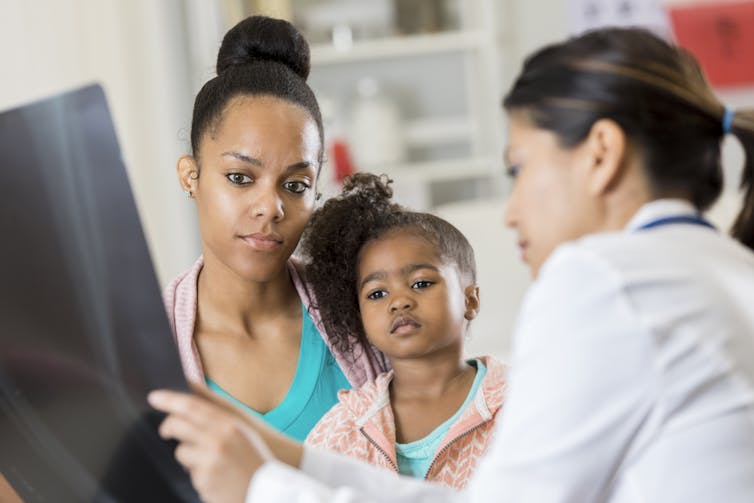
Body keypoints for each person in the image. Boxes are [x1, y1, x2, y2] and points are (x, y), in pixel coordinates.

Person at [148, 27, 754, 502]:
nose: (511, 212)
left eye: (520, 170)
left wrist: (260, 488)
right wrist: (285, 459)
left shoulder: (604, 282)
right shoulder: (725, 267)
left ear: (601, 154)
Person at [163, 14, 387, 442]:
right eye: (240, 178)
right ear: (190, 177)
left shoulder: (365, 316)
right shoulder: (144, 353)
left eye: (295, 185)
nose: (270, 208)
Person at [300, 173, 505, 488]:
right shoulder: (340, 430)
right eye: (377, 294)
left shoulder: (519, 402)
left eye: (421, 283)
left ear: (470, 299)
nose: (399, 302)